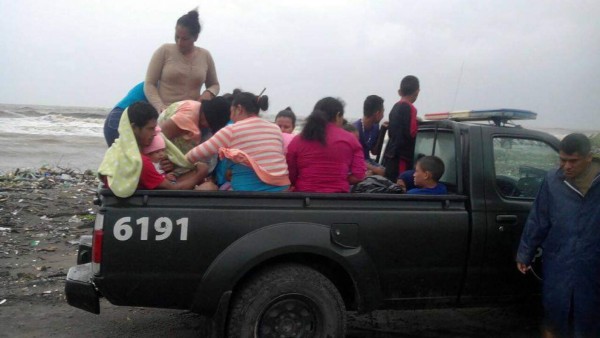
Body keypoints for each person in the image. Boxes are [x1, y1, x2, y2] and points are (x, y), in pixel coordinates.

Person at [516, 133, 600, 338]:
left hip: (593, 263)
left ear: (588, 158)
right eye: (563, 160)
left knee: (589, 318)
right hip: (559, 260)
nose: (567, 166)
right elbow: (539, 217)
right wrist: (525, 252)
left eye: (573, 161)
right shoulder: (553, 181)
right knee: (555, 314)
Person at [185, 91, 290, 192]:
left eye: (231, 112)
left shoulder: (232, 130)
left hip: (247, 192)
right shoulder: (275, 128)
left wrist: (184, 161)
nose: (230, 117)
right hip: (282, 189)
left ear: (239, 109)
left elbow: (195, 154)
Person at [98, 102, 208, 198]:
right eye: (150, 129)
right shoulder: (140, 162)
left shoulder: (115, 149)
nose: (154, 133)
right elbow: (175, 190)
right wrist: (200, 174)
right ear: (134, 127)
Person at [144, 9, 219, 113]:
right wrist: (159, 106)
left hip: (192, 114)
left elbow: (214, 84)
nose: (179, 42)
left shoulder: (205, 55)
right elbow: (149, 84)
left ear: (195, 37)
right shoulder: (164, 51)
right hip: (166, 112)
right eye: (177, 37)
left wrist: (208, 93)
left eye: (184, 39)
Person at [286, 97, 366, 193]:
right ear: (337, 115)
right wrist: (337, 179)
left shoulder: (298, 140)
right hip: (338, 200)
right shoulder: (351, 140)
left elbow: (290, 175)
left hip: (304, 199)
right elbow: (359, 176)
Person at [382, 75, 420, 182]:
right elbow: (412, 133)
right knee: (400, 185)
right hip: (402, 157)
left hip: (391, 155)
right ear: (417, 92)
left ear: (400, 91)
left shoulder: (394, 107)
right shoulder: (411, 108)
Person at [103, 82, 147, 146]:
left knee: (117, 154)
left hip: (116, 115)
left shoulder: (149, 83)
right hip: (123, 117)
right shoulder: (155, 86)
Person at [353, 95, 385, 163]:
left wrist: (382, 131)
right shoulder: (355, 129)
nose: (383, 116)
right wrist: (374, 169)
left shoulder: (375, 127)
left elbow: (374, 152)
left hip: (368, 163)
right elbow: (352, 158)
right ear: (377, 113)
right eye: (383, 112)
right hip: (357, 164)